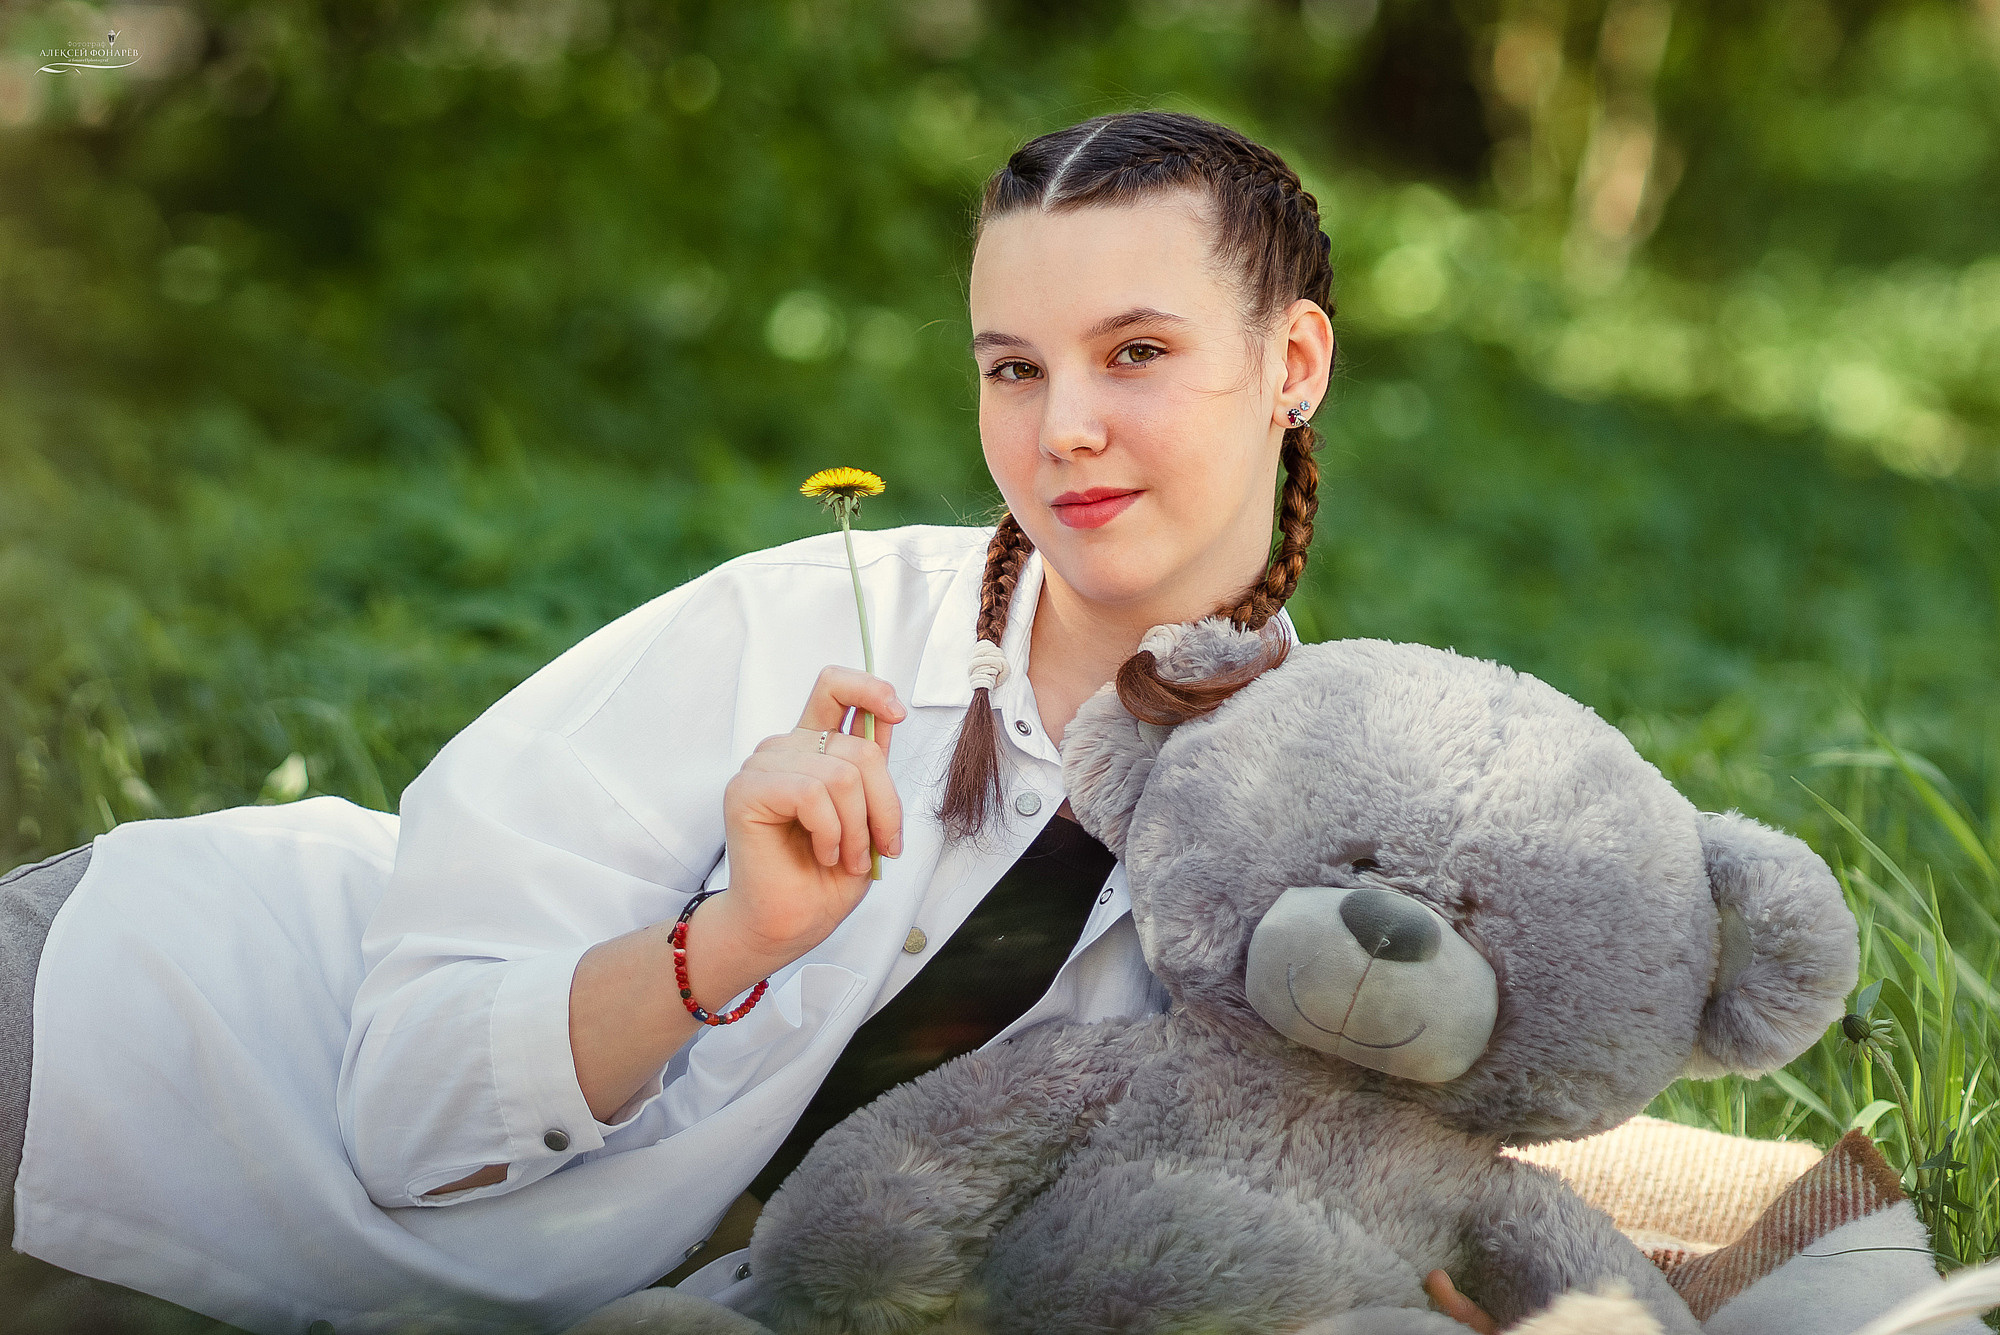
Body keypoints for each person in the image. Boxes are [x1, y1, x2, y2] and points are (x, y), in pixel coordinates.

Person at [1, 109, 1495, 1334]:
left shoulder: (1329, 839)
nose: (1064, 430)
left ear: (1294, 366)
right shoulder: (799, 629)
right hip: (137, 1055)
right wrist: (728, 947)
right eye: (1013, 368)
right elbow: (403, 1121)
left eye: (1137, 352)